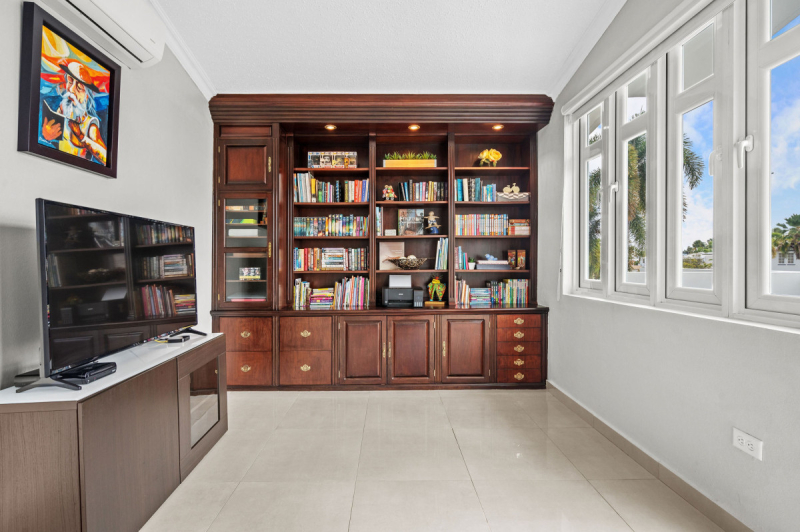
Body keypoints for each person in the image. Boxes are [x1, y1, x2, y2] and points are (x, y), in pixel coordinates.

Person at [41, 60, 107, 165]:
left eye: (79, 88)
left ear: (87, 96)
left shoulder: (90, 124)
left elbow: (105, 158)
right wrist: (46, 136)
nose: (71, 89)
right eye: (70, 82)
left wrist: (81, 136)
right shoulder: (62, 110)